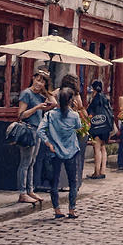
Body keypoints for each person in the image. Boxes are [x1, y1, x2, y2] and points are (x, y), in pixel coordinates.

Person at [37, 87, 82, 219]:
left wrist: (48, 143)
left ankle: (57, 209)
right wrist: (74, 110)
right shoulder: (74, 115)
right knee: (73, 181)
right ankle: (72, 209)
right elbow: (79, 127)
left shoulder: (50, 115)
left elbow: (40, 131)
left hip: (55, 151)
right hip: (71, 150)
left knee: (54, 182)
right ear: (70, 101)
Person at [17, 70, 53, 203]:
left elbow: (54, 104)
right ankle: (22, 192)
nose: (39, 83)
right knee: (25, 163)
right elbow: (21, 115)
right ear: (33, 78)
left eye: (42, 81)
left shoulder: (40, 95)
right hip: (28, 130)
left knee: (32, 162)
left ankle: (30, 190)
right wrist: (37, 107)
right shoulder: (26, 93)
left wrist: (47, 91)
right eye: (38, 80)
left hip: (37, 131)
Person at [87, 80, 114, 179]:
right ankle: (103, 170)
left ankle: (96, 172)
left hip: (97, 126)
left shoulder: (95, 99)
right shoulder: (105, 98)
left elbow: (89, 113)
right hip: (106, 126)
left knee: (97, 148)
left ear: (93, 88)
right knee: (103, 147)